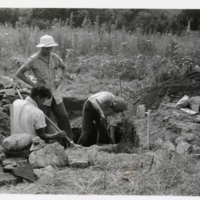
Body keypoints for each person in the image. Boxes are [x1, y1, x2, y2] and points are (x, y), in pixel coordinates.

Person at [16, 34, 73, 143]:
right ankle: (45, 144)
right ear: (41, 47)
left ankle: (69, 143)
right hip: (42, 95)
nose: (49, 50)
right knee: (44, 120)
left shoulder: (54, 57)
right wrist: (34, 85)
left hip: (55, 93)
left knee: (63, 117)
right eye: (47, 48)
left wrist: (60, 79)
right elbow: (19, 73)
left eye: (51, 48)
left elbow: (64, 67)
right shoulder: (34, 59)